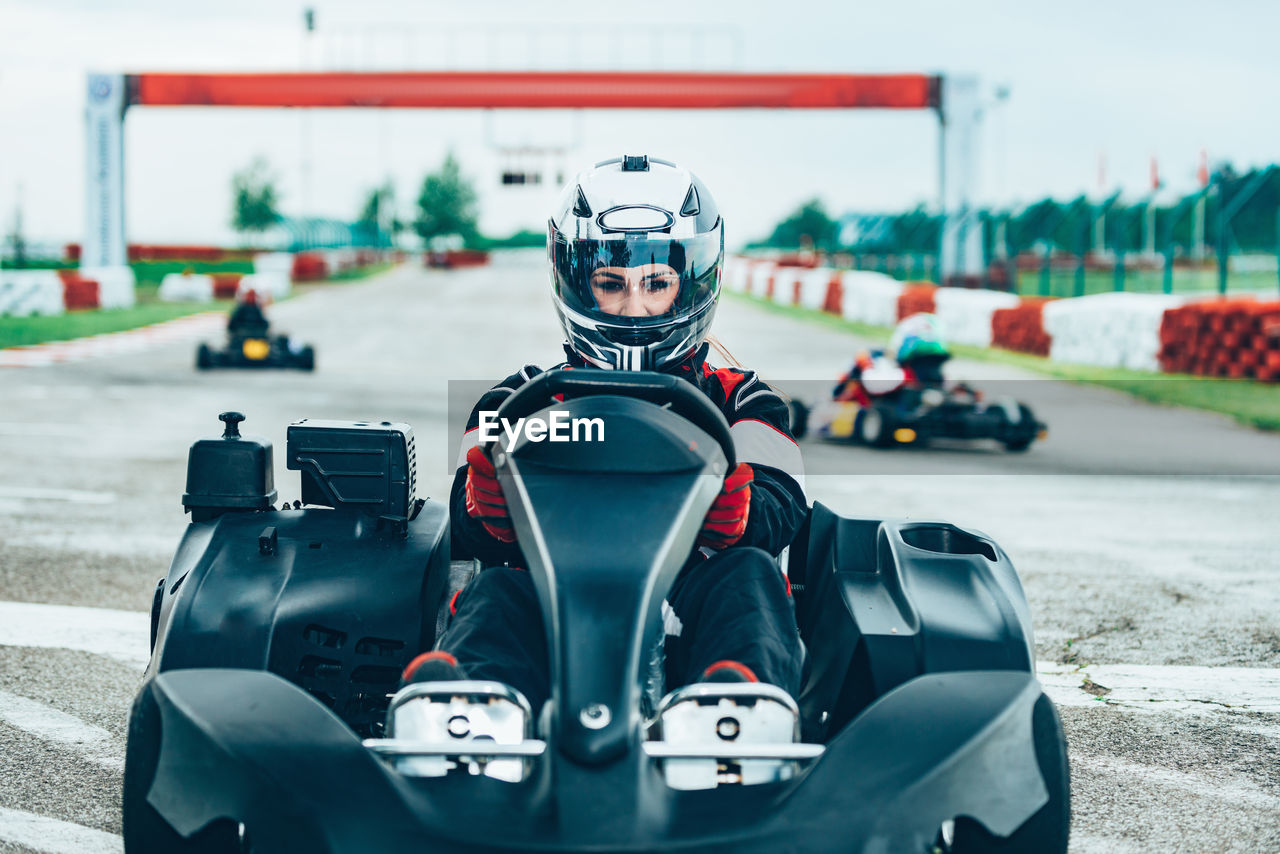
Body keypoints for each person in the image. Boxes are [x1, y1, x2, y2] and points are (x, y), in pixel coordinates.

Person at [403, 155, 807, 714]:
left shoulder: (744, 398)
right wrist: (484, 506)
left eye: (656, 284)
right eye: (611, 283)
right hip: (554, 601)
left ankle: (733, 709)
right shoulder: (516, 398)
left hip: (692, 604)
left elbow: (783, 502)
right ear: (577, 284)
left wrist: (741, 515)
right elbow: (464, 522)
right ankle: (470, 712)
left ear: (691, 285)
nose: (633, 305)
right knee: (495, 591)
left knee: (751, 575)